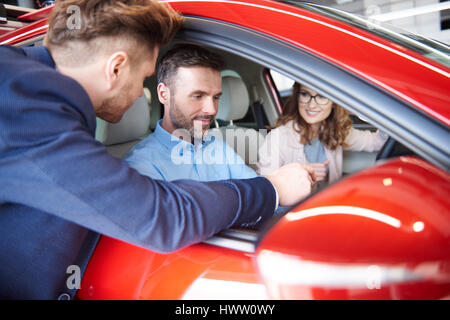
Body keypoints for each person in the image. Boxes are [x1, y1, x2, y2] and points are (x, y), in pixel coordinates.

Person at [0, 0, 312, 299]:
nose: (140, 94)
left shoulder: (24, 90)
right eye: (145, 78)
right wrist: (271, 189)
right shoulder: (29, 110)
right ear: (116, 68)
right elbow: (163, 216)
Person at [125, 44, 258, 182]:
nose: (212, 110)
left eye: (216, 97)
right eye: (198, 96)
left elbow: (260, 192)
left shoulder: (219, 147)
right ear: (164, 94)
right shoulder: (142, 166)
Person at [257, 82, 388, 184]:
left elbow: (375, 142)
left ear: (334, 103)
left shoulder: (336, 130)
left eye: (321, 96)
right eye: (305, 94)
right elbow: (266, 188)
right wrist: (303, 175)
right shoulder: (277, 138)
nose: (312, 105)